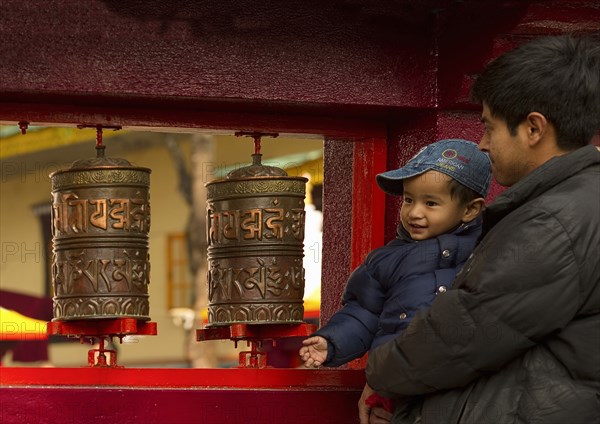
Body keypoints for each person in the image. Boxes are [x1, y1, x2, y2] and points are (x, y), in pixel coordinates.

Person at [361, 35, 600, 424]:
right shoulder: (573, 202)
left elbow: (464, 333)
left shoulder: (555, 219)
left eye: (489, 128)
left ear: (533, 128)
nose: (483, 144)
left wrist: (381, 374)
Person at [299, 138, 492, 378]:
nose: (414, 212)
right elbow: (364, 314)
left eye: (431, 203)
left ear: (470, 210)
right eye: (409, 200)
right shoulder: (386, 260)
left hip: (459, 389)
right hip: (395, 385)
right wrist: (333, 341)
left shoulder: (488, 253)